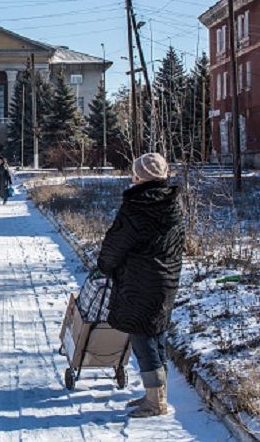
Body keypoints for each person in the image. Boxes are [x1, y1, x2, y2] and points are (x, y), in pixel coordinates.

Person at [97, 153, 184, 418]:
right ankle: (156, 393)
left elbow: (116, 243)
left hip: (139, 282)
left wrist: (105, 265)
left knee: (142, 338)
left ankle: (155, 401)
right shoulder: (173, 202)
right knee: (156, 334)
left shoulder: (137, 205)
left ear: (140, 176)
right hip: (166, 280)